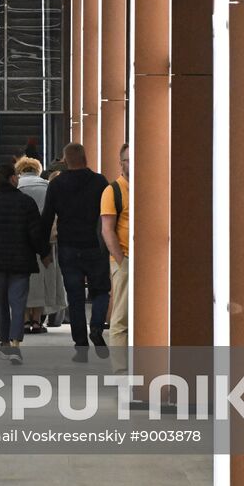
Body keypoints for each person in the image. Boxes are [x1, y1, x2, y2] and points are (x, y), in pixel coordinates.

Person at [37, 143, 110, 360]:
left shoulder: (58, 184)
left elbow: (47, 217)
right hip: (94, 246)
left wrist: (43, 251)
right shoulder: (100, 182)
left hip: (68, 247)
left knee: (75, 297)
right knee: (101, 291)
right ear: (86, 158)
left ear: (66, 160)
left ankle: (81, 348)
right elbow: (108, 214)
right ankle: (96, 326)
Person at [0, 163, 45, 366]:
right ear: (13, 179)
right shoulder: (26, 203)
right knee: (18, 302)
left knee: (1, 302)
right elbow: (35, 233)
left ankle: (3, 341)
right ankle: (15, 345)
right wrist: (44, 252)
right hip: (20, 260)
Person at [15, 156, 64, 334]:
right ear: (37, 170)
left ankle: (25, 319)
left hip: (21, 241)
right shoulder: (47, 186)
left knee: (24, 279)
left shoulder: (17, 187)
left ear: (20, 170)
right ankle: (37, 321)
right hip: (45, 241)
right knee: (43, 279)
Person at [101, 144, 131, 370]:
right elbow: (107, 229)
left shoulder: (152, 187)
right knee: (120, 318)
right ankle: (120, 370)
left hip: (152, 264)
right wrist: (121, 261)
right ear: (121, 163)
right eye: (128, 160)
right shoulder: (114, 191)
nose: (133, 164)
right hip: (125, 261)